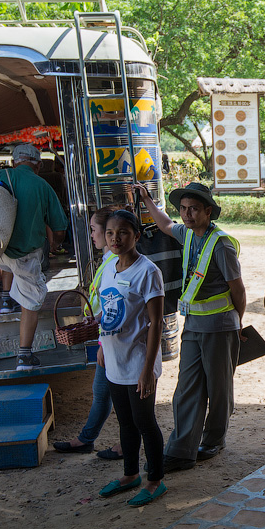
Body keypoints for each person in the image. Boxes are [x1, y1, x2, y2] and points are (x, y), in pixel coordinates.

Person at [132, 181, 245, 472]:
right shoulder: (188, 234)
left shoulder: (220, 244)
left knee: (219, 389)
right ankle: (182, 451)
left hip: (220, 327)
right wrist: (146, 201)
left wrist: (237, 324)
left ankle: (214, 439)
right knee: (186, 388)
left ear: (209, 211)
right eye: (183, 209)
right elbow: (166, 225)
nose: (187, 214)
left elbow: (238, 291)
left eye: (194, 209)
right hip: (193, 326)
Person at [95, 210, 169, 507]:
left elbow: (156, 323)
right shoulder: (110, 267)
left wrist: (148, 370)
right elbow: (108, 310)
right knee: (124, 422)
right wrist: (101, 343)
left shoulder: (148, 272)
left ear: (136, 236)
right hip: (114, 358)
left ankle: (155, 480)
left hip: (140, 361)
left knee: (144, 421)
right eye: (111, 233)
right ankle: (130, 475)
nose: (115, 238)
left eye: (123, 232)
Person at [0, 143, 68, 369]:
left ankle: (6, 299)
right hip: (26, 253)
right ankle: (25, 355)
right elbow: (59, 227)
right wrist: (55, 244)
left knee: (7, 263)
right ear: (38, 165)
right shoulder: (42, 185)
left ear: (15, 161)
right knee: (31, 301)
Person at [53, 208, 120, 457]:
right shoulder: (108, 260)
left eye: (94, 229)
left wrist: (102, 340)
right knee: (103, 391)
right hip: (108, 337)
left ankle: (119, 444)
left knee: (116, 393)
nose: (91, 234)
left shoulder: (115, 262)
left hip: (113, 339)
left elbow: (115, 307)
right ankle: (86, 439)